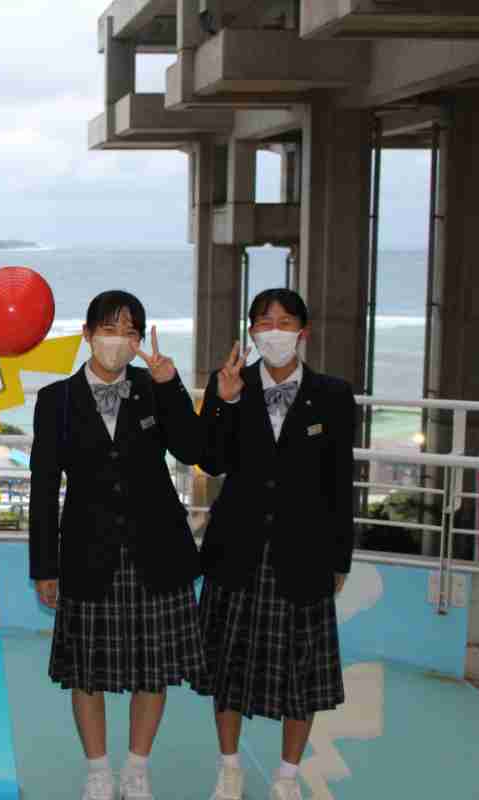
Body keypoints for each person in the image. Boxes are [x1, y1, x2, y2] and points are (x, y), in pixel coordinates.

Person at [29, 290, 208, 800]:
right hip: (87, 550)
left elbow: (193, 449)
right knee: (86, 672)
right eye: (108, 329)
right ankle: (97, 772)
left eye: (130, 331)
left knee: (153, 670)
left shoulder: (154, 388)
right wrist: (45, 566)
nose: (118, 340)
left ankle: (137, 768)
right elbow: (44, 487)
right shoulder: (56, 400)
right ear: (87, 334)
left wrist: (171, 385)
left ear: (139, 341)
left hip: (158, 547)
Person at [194, 288, 355, 800]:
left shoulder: (333, 394)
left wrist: (340, 556)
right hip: (235, 546)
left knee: (301, 674)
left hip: (304, 549)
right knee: (227, 667)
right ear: (251, 332)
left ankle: (287, 778)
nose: (274, 331)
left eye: (285, 322)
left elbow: (340, 481)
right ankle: (229, 768)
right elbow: (211, 461)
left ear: (303, 332)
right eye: (264, 322)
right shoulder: (230, 384)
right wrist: (224, 402)